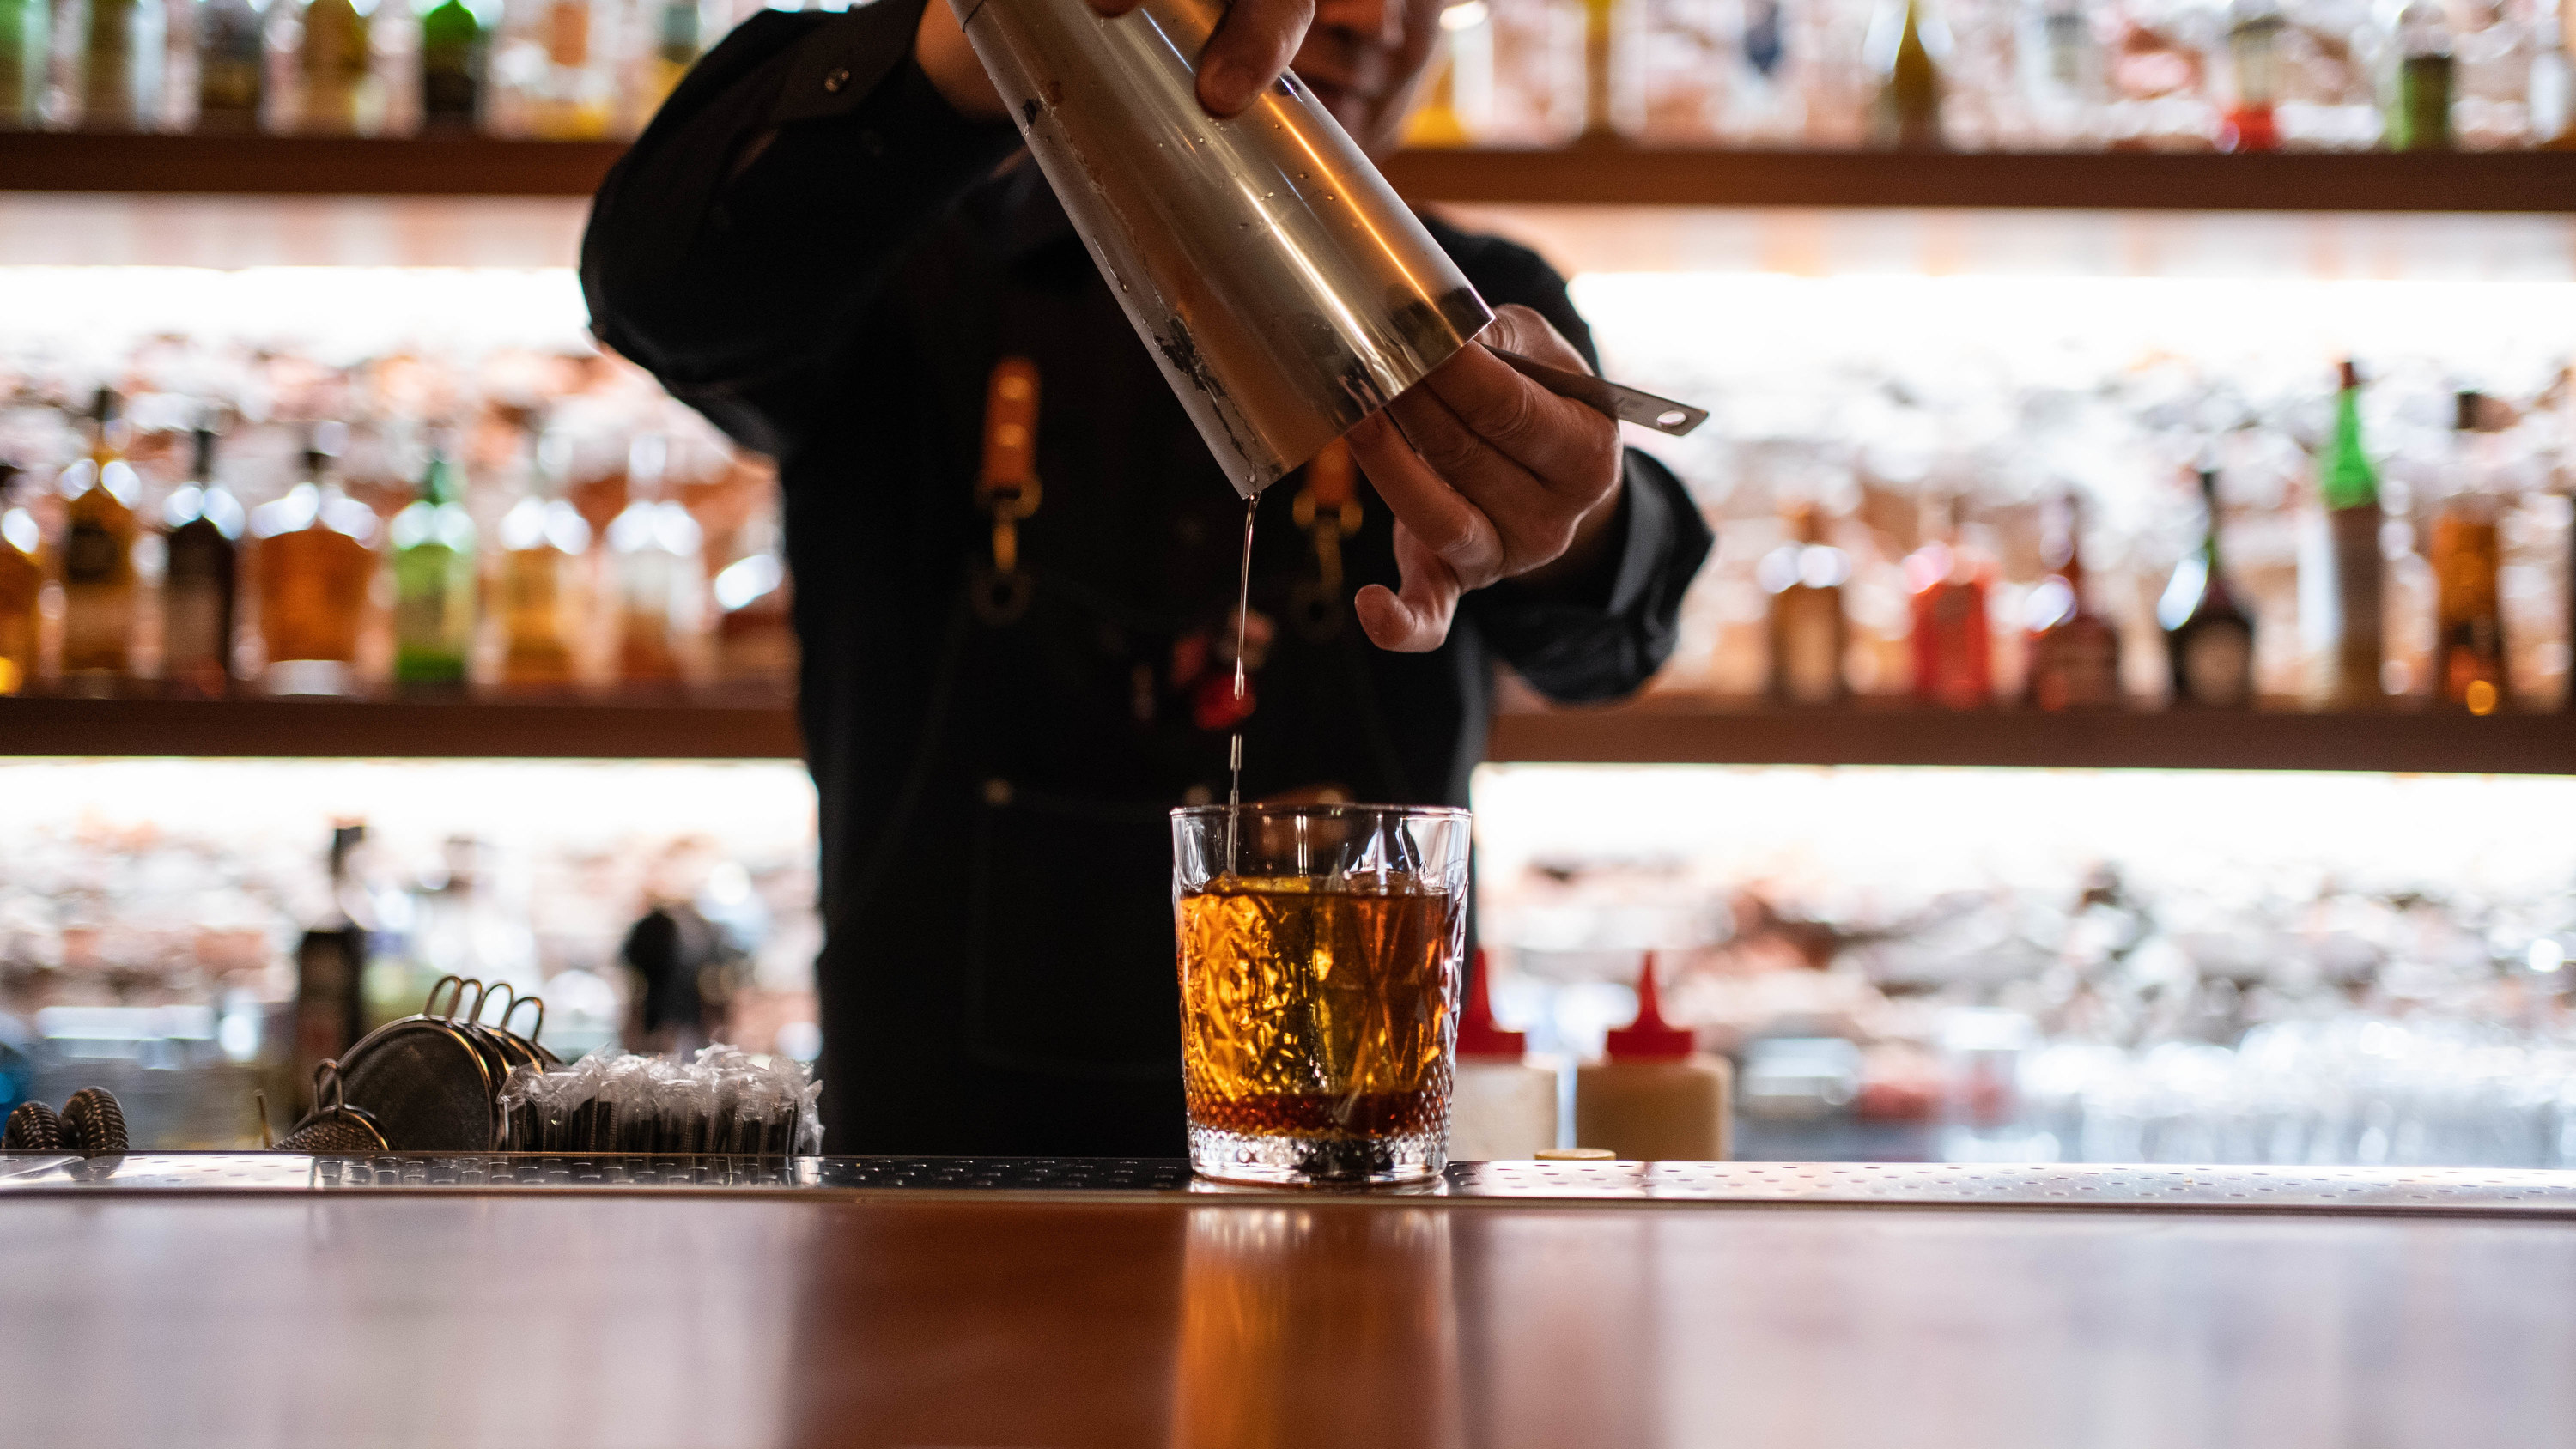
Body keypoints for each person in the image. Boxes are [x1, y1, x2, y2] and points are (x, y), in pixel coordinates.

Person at [580, 0, 1713, 1155]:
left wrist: (1588, 514)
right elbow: (653, 286)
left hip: (1352, 1184)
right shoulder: (908, 266)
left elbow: (1622, 637)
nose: (1375, 17)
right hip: (935, 1192)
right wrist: (983, 38)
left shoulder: (1475, 304)